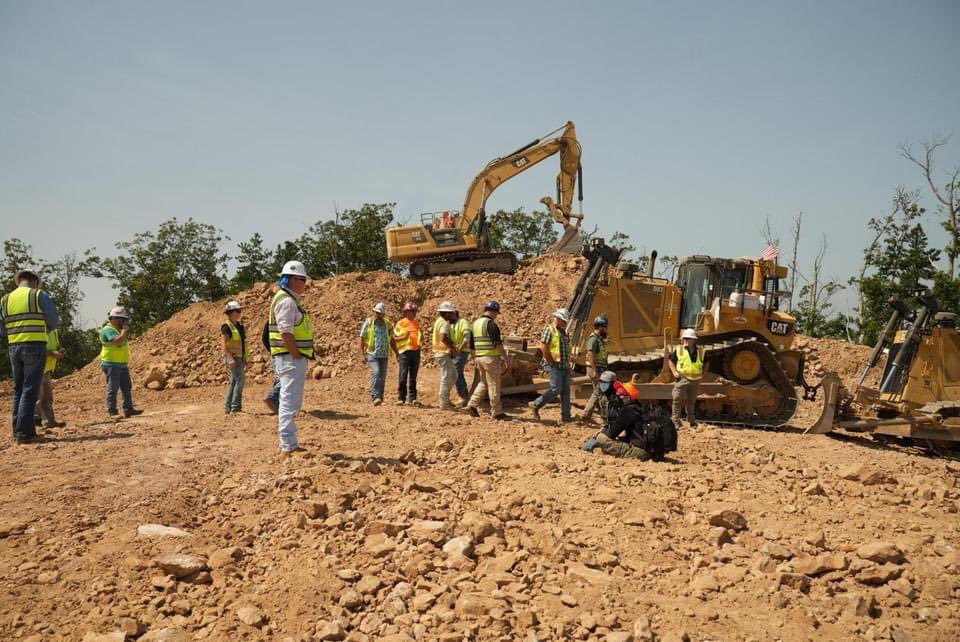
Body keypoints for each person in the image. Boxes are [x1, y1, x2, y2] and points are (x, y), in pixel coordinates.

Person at [1, 268, 59, 444]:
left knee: (19, 389)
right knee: (30, 389)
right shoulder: (38, 295)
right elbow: (54, 321)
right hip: (34, 345)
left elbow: (2, 329)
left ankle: (17, 430)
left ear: (19, 281)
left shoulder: (5, 299)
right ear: (35, 281)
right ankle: (25, 434)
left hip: (13, 347)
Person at [267, 260, 314, 455]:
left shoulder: (288, 299)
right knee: (288, 401)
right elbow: (286, 332)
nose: (305, 283)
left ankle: (289, 442)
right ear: (292, 280)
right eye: (302, 279)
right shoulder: (286, 301)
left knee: (291, 400)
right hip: (290, 357)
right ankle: (288, 444)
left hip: (289, 357)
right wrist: (295, 355)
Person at [595, 399, 677, 461]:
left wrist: (602, 431)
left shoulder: (628, 411)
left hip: (641, 453)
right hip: (656, 452)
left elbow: (612, 434)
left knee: (601, 438)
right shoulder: (644, 412)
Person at [529, 308, 573, 423]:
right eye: (563, 320)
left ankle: (566, 416)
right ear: (557, 318)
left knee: (565, 391)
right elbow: (543, 346)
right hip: (554, 365)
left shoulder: (563, 332)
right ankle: (535, 404)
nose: (565, 323)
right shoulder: (549, 330)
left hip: (564, 365)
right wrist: (551, 363)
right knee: (555, 390)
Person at [466, 301, 507, 420]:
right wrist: (505, 357)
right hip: (490, 358)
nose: (496, 316)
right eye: (496, 313)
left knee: (483, 382)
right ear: (493, 311)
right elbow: (497, 344)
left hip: (479, 357)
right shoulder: (491, 324)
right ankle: (497, 412)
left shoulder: (475, 324)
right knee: (494, 384)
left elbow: (472, 345)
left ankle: (472, 405)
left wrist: (474, 358)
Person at [99, 307, 143, 419]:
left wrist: (122, 331)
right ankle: (112, 412)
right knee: (112, 388)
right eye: (122, 319)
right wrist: (124, 332)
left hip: (121, 363)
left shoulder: (117, 330)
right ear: (114, 318)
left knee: (126, 386)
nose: (124, 322)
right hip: (111, 363)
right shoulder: (108, 329)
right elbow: (117, 341)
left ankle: (129, 409)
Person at [360, 302, 395, 406]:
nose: (378, 315)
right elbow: (361, 338)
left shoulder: (387, 324)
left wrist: (397, 353)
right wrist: (362, 354)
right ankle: (375, 396)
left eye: (380, 313)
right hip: (372, 353)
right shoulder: (369, 322)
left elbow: (392, 339)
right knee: (376, 372)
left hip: (384, 354)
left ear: (383, 314)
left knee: (382, 376)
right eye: (377, 313)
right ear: (374, 312)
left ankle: (380, 398)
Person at [668, 328, 704, 428]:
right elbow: (671, 361)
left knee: (691, 401)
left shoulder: (701, 351)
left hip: (696, 380)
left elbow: (707, 363)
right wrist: (674, 372)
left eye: (689, 338)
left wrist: (703, 374)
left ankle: (691, 421)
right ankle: (675, 421)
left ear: (694, 340)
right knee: (676, 399)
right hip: (682, 378)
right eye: (685, 338)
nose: (686, 340)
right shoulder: (679, 350)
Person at [581, 314, 610, 422]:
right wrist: (594, 370)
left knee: (599, 392)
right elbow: (590, 354)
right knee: (598, 392)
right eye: (605, 327)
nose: (606, 330)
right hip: (595, 369)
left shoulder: (599, 339)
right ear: (601, 327)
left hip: (598, 368)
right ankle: (586, 415)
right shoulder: (593, 339)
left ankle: (602, 414)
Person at [36, 328, 66, 429]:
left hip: (47, 368)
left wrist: (59, 351)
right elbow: (36, 349)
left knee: (47, 397)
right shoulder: (40, 328)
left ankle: (49, 421)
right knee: (37, 397)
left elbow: (55, 346)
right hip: (37, 367)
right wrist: (53, 353)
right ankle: (35, 424)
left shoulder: (54, 331)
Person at [393, 302, 422, 406]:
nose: (411, 314)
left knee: (413, 377)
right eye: (409, 312)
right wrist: (404, 337)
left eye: (413, 312)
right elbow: (394, 338)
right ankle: (401, 398)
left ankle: (413, 398)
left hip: (415, 351)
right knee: (403, 375)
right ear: (405, 312)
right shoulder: (401, 323)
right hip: (404, 352)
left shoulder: (416, 323)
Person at [221, 300, 247, 414]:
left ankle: (228, 407)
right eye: (237, 311)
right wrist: (230, 358)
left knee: (234, 382)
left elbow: (243, 343)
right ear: (230, 312)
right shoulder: (226, 326)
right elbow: (224, 344)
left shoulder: (239, 326)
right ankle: (236, 408)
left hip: (240, 357)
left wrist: (245, 358)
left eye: (240, 310)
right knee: (239, 381)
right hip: (233, 357)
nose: (239, 313)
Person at [432, 301, 460, 410]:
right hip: (442, 353)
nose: (453, 315)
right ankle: (444, 403)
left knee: (453, 375)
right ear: (447, 313)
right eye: (452, 313)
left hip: (441, 353)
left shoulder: (439, 321)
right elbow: (443, 338)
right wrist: (453, 348)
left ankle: (446, 399)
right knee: (447, 377)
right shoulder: (444, 322)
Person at [451, 309, 472, 405]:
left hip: (463, 351)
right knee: (455, 372)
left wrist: (458, 350)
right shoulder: (452, 324)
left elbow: (466, 339)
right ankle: (462, 395)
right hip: (456, 351)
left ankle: (463, 396)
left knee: (456, 371)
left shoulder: (463, 322)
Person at [261, 320, 280, 414]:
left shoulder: (270, 321)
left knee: (278, 377)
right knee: (283, 378)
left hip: (276, 352)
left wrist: (272, 350)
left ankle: (277, 404)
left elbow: (264, 339)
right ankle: (272, 398)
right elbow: (264, 339)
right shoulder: (273, 321)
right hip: (280, 353)